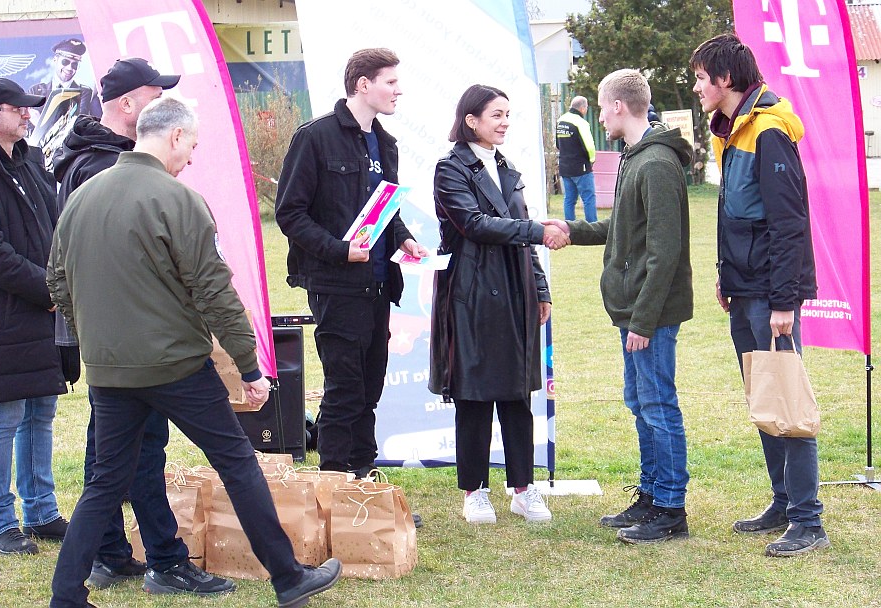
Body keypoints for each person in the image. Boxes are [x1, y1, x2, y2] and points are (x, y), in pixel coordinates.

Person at [46, 96, 341, 608]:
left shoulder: (82, 196)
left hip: (110, 370)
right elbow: (215, 291)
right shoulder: (179, 199)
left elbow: (57, 281)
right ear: (175, 136)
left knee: (104, 484)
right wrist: (249, 365)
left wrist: (94, 337)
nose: (191, 158)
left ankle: (65, 596)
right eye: (192, 145)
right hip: (176, 366)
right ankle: (289, 577)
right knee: (237, 462)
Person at [52, 57, 217, 594]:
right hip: (131, 343)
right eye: (154, 95)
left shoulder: (97, 158)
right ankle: (155, 559)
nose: (164, 105)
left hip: (116, 338)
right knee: (128, 453)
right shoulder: (100, 166)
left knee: (119, 452)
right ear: (127, 104)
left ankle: (113, 553)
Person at [690, 33, 827, 557]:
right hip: (744, 287)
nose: (697, 87)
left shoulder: (768, 131)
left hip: (771, 294)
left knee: (786, 396)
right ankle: (783, 501)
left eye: (701, 78)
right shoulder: (734, 130)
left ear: (725, 80)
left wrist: (784, 301)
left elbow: (789, 223)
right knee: (764, 394)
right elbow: (739, 213)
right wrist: (726, 275)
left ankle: (808, 520)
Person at [545, 69, 693, 544]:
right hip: (633, 309)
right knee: (641, 403)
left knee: (658, 405)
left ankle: (670, 507)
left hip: (650, 314)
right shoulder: (636, 156)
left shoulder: (656, 163)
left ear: (617, 106)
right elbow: (625, 228)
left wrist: (644, 322)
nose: (600, 116)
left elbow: (664, 251)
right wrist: (573, 229)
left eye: (602, 107)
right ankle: (650, 496)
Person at [275, 48, 427, 480]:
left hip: (379, 285)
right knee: (344, 390)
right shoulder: (315, 137)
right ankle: (336, 481)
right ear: (363, 84)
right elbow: (290, 214)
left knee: (369, 389)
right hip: (335, 285)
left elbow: (385, 210)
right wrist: (339, 250)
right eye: (390, 82)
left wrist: (404, 237)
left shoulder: (386, 143)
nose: (398, 90)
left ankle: (363, 477)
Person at [431, 84, 563, 525]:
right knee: (473, 395)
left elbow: (521, 235)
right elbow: (474, 224)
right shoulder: (450, 168)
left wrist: (540, 288)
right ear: (471, 120)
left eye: (508, 114)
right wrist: (537, 230)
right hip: (470, 294)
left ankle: (523, 488)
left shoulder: (507, 167)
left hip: (516, 290)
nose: (505, 122)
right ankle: (475, 491)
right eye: (496, 115)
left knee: (517, 394)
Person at [0, 78, 69, 555]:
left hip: (40, 311)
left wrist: (60, 283)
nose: (28, 115)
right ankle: (1, 522)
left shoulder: (29, 161)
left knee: (41, 412)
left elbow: (56, 227)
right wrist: (47, 290)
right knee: (4, 416)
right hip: (0, 315)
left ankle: (41, 511)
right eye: (19, 108)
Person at [28, 38, 101, 125]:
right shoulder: (36, 91)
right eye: (65, 62)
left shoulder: (83, 92)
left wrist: (39, 123)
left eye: (74, 65)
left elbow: (78, 123)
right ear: (55, 59)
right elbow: (27, 125)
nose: (69, 68)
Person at [556, 95, 597, 221]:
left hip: (565, 167)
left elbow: (558, 144)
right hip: (581, 168)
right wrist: (592, 159)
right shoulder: (581, 123)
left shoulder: (560, 121)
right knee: (588, 198)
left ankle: (569, 226)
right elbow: (589, 146)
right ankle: (592, 226)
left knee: (569, 199)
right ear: (583, 108)